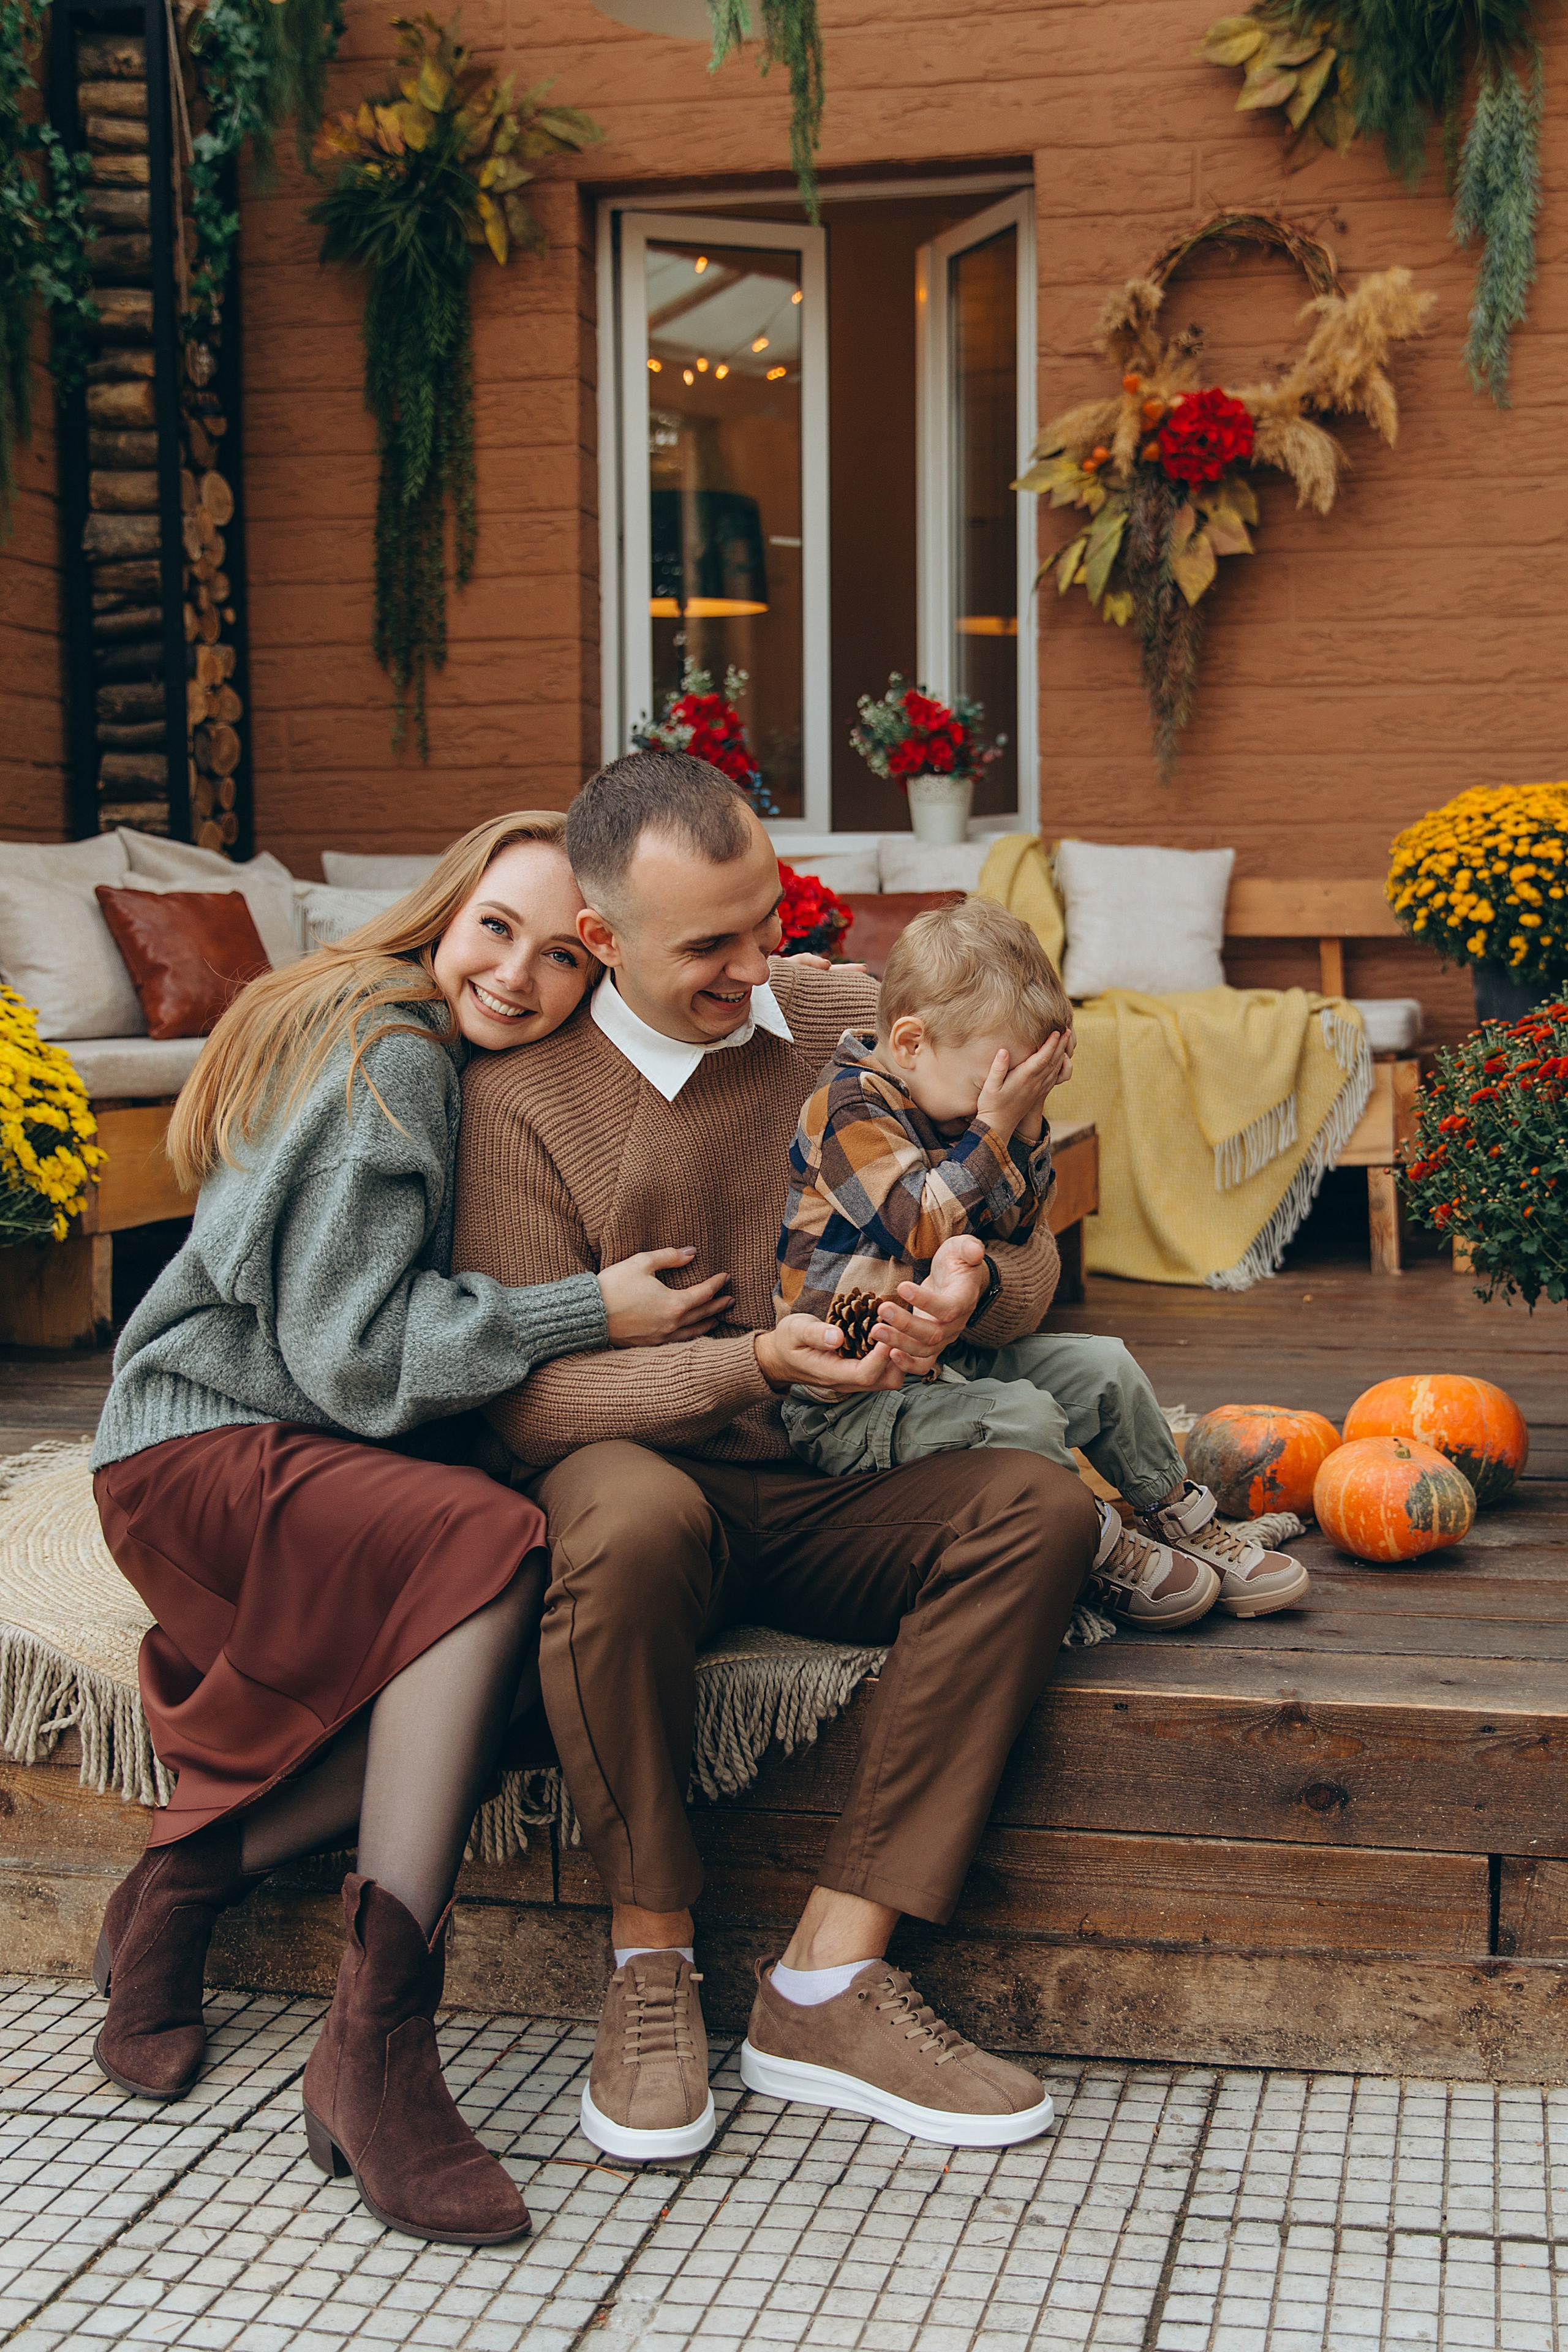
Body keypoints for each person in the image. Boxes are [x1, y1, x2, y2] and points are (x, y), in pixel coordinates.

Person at [452, 749, 1101, 2164]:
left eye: (767, 922)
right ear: (602, 938)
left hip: (843, 1468)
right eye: (711, 946)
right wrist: (749, 1362)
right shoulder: (520, 1104)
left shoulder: (844, 1015)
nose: (757, 967)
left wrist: (970, 1298)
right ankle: (649, 1956)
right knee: (617, 1519)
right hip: (654, 1476)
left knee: (1038, 1509)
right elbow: (530, 1405)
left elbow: (1031, 1251)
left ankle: (825, 1978)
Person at [89, 810, 725, 2248]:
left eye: (562, 959)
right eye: (497, 927)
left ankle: (187, 1877)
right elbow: (354, 1355)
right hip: (195, 1461)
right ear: (446, 908)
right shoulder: (394, 1054)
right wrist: (590, 1307)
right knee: (488, 1550)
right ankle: (377, 2045)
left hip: (275, 1464)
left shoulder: (396, 1026)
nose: (516, 974)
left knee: (509, 1656)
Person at [774, 896, 1310, 1625]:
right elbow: (918, 1222)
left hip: (943, 1366)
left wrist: (1023, 1127)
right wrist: (995, 1126)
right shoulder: (847, 1107)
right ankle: (1089, 1543)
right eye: (989, 1087)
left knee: (1106, 1366)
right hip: (847, 1407)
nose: (990, 1109)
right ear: (909, 1042)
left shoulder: (952, 1102)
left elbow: (1019, 1226)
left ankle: (1174, 1514)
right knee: (1022, 1416)